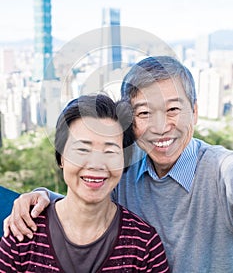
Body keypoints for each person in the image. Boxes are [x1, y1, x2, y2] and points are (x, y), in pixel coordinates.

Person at [5, 55, 233, 272]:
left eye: (172, 109)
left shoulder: (221, 171)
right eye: (144, 113)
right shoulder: (123, 170)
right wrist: (40, 195)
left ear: (194, 111)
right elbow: (87, 195)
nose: (161, 127)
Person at [0, 93, 169, 272]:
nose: (96, 164)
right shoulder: (23, 233)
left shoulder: (144, 246)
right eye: (82, 149)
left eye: (110, 152)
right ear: (61, 158)